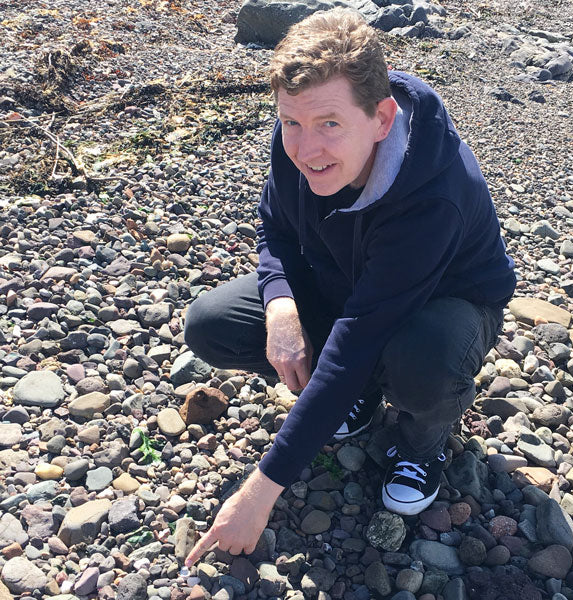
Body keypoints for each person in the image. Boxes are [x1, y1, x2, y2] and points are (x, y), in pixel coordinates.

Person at [183, 7, 516, 563]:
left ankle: (421, 442)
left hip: (447, 304)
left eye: (329, 125)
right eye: (291, 122)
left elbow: (358, 337)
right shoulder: (298, 132)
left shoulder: (432, 195)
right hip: (351, 282)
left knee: (421, 359)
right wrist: (281, 305)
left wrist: (261, 491)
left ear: (382, 119)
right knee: (212, 323)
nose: (305, 148)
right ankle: (354, 400)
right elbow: (277, 230)